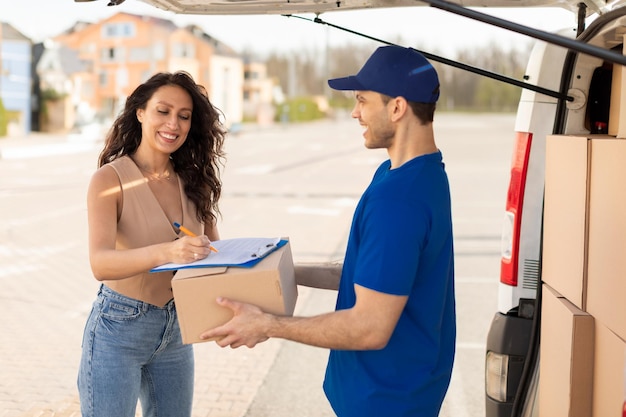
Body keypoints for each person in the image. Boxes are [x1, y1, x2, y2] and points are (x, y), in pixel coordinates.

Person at [200, 45, 456, 417]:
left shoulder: (399, 201)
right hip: (399, 391)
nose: (354, 112)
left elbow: (370, 327)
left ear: (397, 108)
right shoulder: (419, 174)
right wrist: (272, 270)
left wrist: (267, 325)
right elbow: (366, 273)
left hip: (384, 401)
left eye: (362, 100)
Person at [78, 71, 225, 417]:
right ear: (140, 112)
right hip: (118, 329)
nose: (173, 123)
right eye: (163, 110)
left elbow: (216, 259)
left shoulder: (194, 182)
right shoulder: (108, 179)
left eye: (184, 116)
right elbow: (100, 263)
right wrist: (168, 253)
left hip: (176, 331)